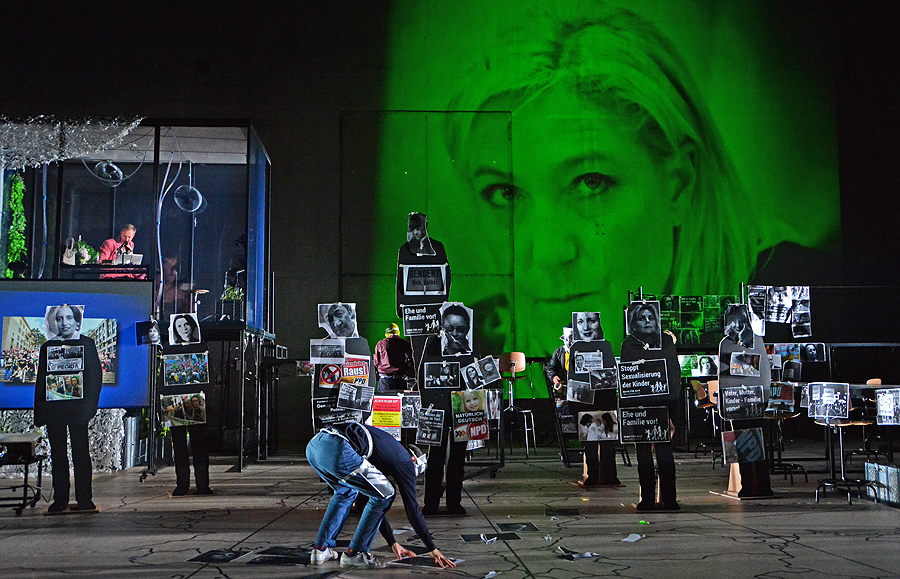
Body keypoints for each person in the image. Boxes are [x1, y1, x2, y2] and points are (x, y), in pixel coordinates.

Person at [425, 1, 777, 356]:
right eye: (505, 193)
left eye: (590, 182)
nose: (548, 253)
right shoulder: (456, 349)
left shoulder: (785, 311)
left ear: (679, 184)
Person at [306, 422, 455, 569]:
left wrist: (392, 542)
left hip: (315, 445)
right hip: (339, 448)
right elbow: (413, 510)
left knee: (346, 493)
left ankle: (320, 549)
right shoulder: (406, 462)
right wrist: (431, 548)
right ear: (414, 460)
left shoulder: (387, 451)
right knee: (387, 493)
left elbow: (368, 501)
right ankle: (355, 554)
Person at [34, 305, 103, 514]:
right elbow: (41, 380)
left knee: (81, 454)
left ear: (76, 321)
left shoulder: (87, 344)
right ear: (54, 322)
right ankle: (60, 500)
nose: (64, 323)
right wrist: (40, 413)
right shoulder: (47, 347)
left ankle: (85, 499)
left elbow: (95, 378)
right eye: (60, 318)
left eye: (69, 318)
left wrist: (90, 408)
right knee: (58, 456)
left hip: (78, 410)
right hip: (54, 411)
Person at [621, 324, 681, 511]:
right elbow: (675, 377)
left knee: (648, 453)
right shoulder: (664, 343)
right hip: (657, 405)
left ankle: (649, 500)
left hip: (646, 405)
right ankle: (668, 500)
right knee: (660, 453)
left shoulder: (629, 344)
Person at [373, 323, 414, 392]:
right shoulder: (405, 344)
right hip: (401, 380)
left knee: (384, 399)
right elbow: (411, 362)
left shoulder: (381, 344)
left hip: (385, 381)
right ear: (398, 332)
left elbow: (376, 362)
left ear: (387, 333)